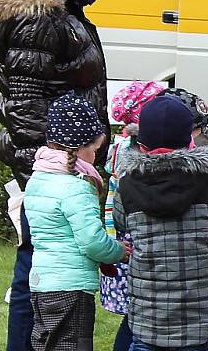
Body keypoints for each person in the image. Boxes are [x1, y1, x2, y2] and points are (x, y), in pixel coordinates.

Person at [0, 0, 114, 351]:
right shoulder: (40, 13)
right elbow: (25, 99)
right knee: (39, 269)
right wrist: (53, 170)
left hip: (58, 160)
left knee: (42, 266)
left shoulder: (56, 3)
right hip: (50, 164)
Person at [113, 96, 208, 351]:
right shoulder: (207, 179)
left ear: (142, 142)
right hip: (197, 310)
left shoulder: (127, 184)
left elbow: (120, 220)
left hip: (147, 313)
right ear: (188, 140)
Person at [24, 93, 130, 351]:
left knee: (47, 345)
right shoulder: (76, 187)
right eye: (94, 150)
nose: (96, 156)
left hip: (41, 282)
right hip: (71, 287)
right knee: (73, 345)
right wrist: (118, 251)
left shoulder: (38, 180)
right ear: (81, 149)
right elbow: (92, 242)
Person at [102, 80, 165, 351]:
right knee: (137, 315)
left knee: (135, 315)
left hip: (119, 240)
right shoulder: (138, 157)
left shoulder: (119, 149)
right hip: (133, 244)